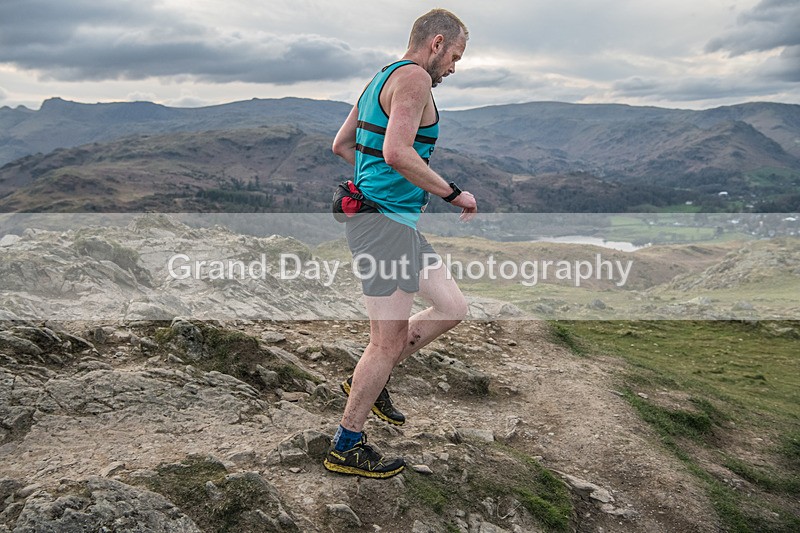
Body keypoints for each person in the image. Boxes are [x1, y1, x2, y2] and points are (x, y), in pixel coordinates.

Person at [324, 8, 478, 479]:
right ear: (436, 43)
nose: (453, 67)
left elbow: (342, 144)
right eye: (454, 55)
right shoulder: (414, 79)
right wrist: (453, 193)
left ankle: (370, 379)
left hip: (394, 223)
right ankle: (347, 443)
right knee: (385, 342)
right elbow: (396, 151)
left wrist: (375, 187)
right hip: (383, 227)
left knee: (451, 306)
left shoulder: (380, 78)